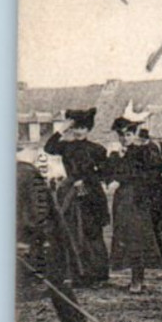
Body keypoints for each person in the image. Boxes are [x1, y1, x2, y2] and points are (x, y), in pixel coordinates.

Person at [17, 149, 92, 322]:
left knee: (56, 281)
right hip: (32, 237)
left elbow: (38, 212)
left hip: (45, 238)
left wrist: (26, 240)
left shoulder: (25, 173)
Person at [42, 108, 110, 286]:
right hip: (70, 194)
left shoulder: (98, 149)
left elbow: (105, 173)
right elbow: (48, 148)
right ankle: (77, 275)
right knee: (72, 232)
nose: (79, 131)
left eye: (83, 128)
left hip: (91, 194)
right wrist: (62, 129)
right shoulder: (65, 147)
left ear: (89, 130)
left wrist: (86, 180)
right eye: (76, 127)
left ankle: (96, 275)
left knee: (92, 232)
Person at [106, 117, 162, 293]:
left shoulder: (146, 151)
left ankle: (137, 280)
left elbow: (150, 174)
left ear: (135, 134)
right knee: (127, 237)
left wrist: (122, 178)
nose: (124, 138)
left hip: (140, 200)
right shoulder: (121, 153)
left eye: (128, 134)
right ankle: (136, 279)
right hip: (124, 200)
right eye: (121, 135)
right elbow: (108, 173)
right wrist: (116, 159)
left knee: (138, 237)